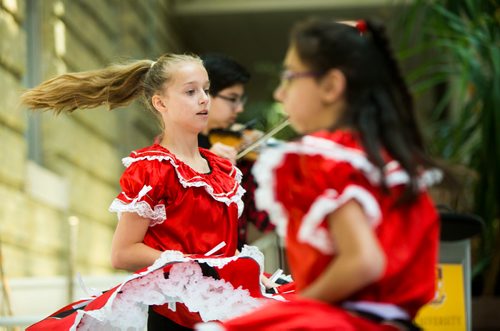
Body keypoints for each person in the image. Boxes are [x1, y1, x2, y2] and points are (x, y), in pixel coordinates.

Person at [197, 18, 443, 331]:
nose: (278, 94)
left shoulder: (324, 157)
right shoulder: (383, 160)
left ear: (330, 86)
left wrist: (300, 305)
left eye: (289, 77)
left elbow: (363, 262)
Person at [20, 54, 281, 331]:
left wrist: (250, 273)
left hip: (223, 305)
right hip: (174, 313)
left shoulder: (223, 168)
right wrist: (198, 265)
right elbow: (123, 253)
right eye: (191, 92)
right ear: (160, 103)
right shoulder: (152, 167)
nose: (204, 99)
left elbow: (223, 248)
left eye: (206, 89)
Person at [199, 53, 275, 250]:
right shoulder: (174, 151)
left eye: (242, 100)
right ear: (205, 95)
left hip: (235, 260)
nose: (240, 109)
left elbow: (263, 220)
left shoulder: (242, 156)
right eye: (232, 99)